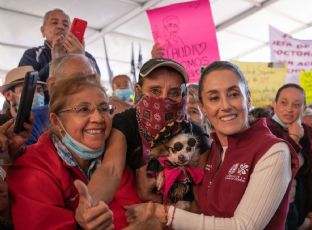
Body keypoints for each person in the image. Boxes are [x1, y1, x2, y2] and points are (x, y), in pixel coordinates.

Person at [125, 61, 295, 229]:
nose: (225, 106)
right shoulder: (212, 150)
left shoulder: (274, 151)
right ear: (203, 107)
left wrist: (163, 214)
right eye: (214, 98)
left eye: (234, 94)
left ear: (248, 98)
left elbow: (244, 227)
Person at [75, 58, 210, 221]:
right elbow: (111, 170)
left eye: (174, 93)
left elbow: (203, 196)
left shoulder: (194, 132)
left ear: (183, 95)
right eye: (155, 91)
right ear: (139, 91)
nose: (164, 99)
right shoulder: (127, 122)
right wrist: (90, 203)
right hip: (133, 217)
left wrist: (164, 213)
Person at [6, 74, 141, 229]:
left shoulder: (112, 156)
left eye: (104, 108)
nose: (98, 118)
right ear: (56, 121)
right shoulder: (31, 170)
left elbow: (133, 214)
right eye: (83, 109)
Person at [267, 83, 312, 230]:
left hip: (296, 205)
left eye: (296, 105)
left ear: (304, 108)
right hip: (271, 208)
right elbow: (278, 167)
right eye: (284, 103)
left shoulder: (307, 131)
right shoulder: (264, 129)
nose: (289, 109)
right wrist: (293, 138)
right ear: (275, 104)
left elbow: (311, 171)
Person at [18, 8, 99, 83]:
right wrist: (55, 63)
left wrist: (80, 58)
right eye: (54, 23)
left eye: (65, 25)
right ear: (43, 31)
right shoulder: (32, 54)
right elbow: (24, 86)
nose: (61, 27)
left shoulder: (86, 56)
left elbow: (96, 82)